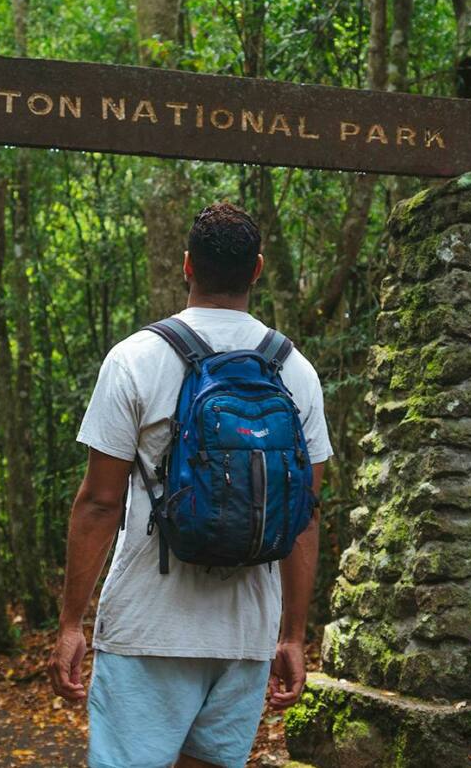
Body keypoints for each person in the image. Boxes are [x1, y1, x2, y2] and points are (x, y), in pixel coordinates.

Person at [47, 202, 332, 768]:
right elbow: (306, 514)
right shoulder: (294, 369)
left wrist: (70, 623)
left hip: (147, 626)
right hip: (245, 631)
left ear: (187, 266)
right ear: (257, 270)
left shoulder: (136, 359)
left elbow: (100, 503)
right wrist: (293, 637)